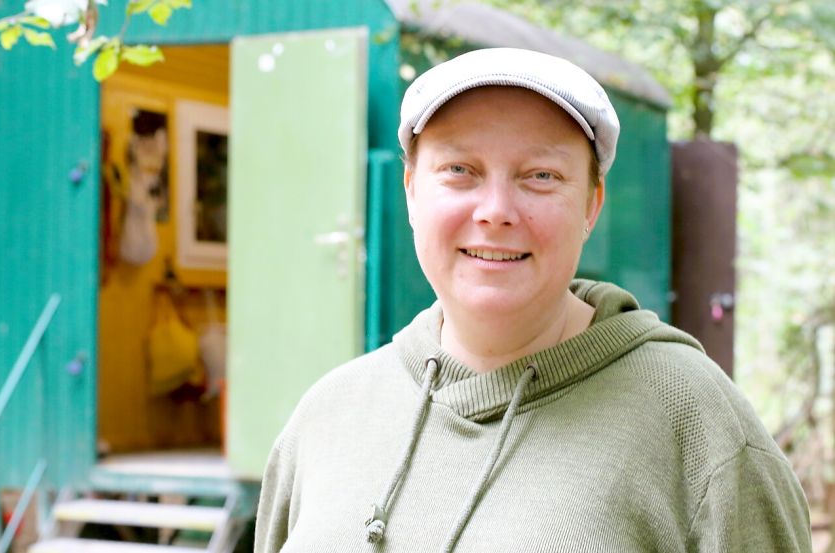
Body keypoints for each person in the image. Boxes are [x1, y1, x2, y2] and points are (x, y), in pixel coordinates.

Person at [254, 48, 811, 552]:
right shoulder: (326, 417)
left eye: (540, 175)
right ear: (411, 191)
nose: (495, 210)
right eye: (459, 171)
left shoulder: (694, 421)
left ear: (591, 205)